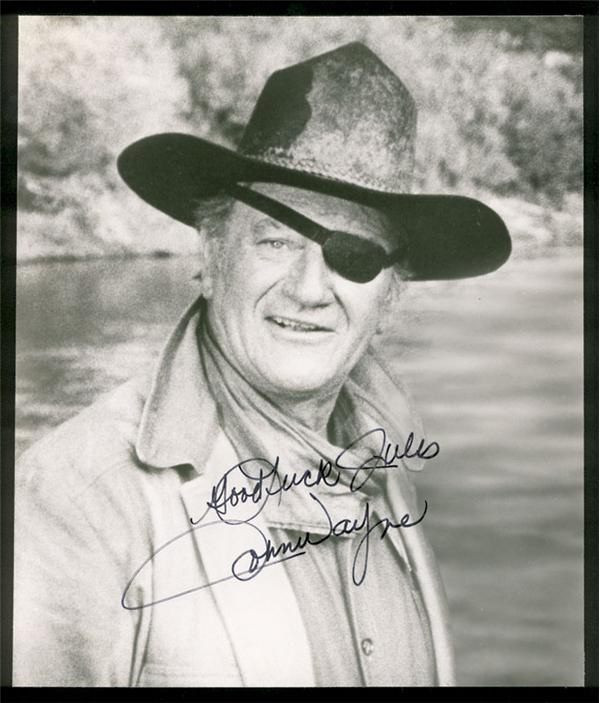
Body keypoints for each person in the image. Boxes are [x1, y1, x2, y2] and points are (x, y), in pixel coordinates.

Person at [13, 42, 511, 687]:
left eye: (355, 257)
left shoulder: (387, 471)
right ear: (211, 258)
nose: (309, 288)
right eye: (275, 240)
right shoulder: (80, 495)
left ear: (388, 298)